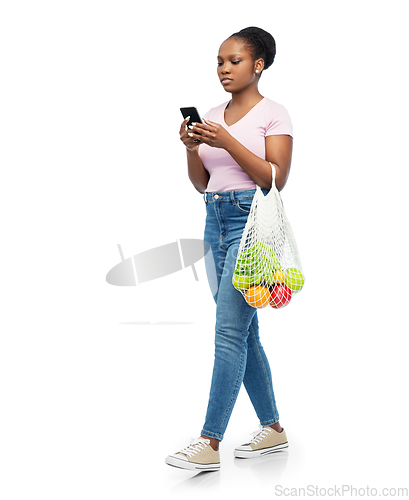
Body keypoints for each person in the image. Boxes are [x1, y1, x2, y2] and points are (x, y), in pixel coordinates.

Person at [165, 26, 293, 472]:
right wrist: (192, 147)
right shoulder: (214, 115)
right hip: (214, 221)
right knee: (244, 331)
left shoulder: (273, 115)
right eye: (219, 61)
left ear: (258, 65)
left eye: (233, 61)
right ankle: (273, 430)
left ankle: (209, 442)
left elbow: (274, 179)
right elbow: (203, 183)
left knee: (229, 333)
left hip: (251, 224)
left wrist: (227, 141)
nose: (223, 68)